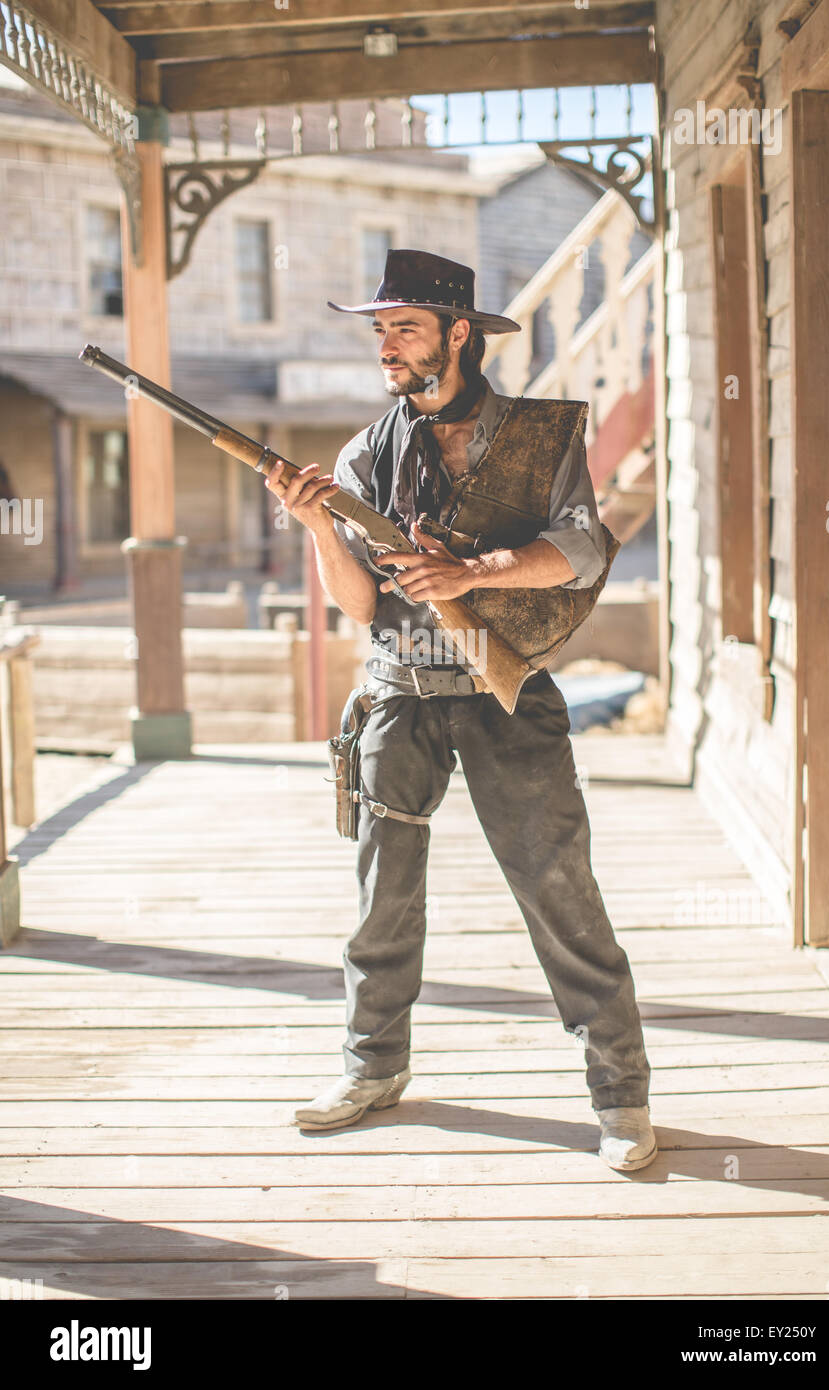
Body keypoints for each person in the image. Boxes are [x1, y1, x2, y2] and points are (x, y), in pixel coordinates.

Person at [265, 250, 657, 1172]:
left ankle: (622, 1096)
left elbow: (581, 549)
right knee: (381, 901)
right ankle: (372, 1069)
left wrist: (473, 572)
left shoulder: (541, 434)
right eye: (379, 330)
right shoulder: (368, 452)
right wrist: (320, 523)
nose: (386, 347)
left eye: (403, 327)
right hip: (398, 691)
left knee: (560, 894)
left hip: (504, 692)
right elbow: (361, 608)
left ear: (459, 334)